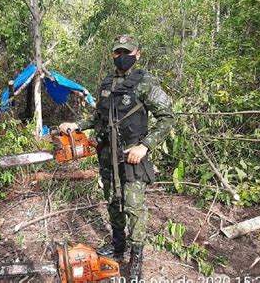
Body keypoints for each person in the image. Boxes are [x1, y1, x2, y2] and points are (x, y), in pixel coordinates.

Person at [58, 34, 174, 280]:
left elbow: (167, 117)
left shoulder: (145, 82)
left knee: (133, 207)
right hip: (107, 156)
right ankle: (118, 245)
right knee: (113, 201)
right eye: (117, 52)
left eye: (127, 52)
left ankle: (136, 260)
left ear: (137, 54)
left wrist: (145, 146)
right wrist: (76, 125)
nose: (122, 57)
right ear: (113, 54)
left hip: (133, 156)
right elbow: (98, 117)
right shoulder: (106, 83)